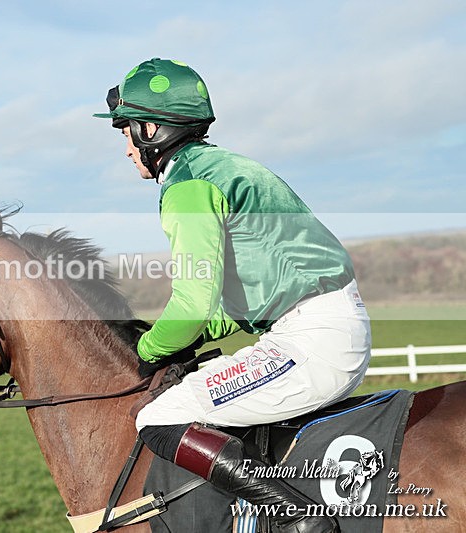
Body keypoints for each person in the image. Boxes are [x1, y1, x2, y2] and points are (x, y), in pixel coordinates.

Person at [95, 58, 371, 533]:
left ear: (151, 130)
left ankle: (299, 519)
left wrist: (147, 349)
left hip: (311, 341)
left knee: (158, 417)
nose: (126, 149)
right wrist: (198, 334)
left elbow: (192, 305)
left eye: (126, 133)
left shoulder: (187, 186)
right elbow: (255, 292)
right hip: (325, 324)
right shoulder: (226, 167)